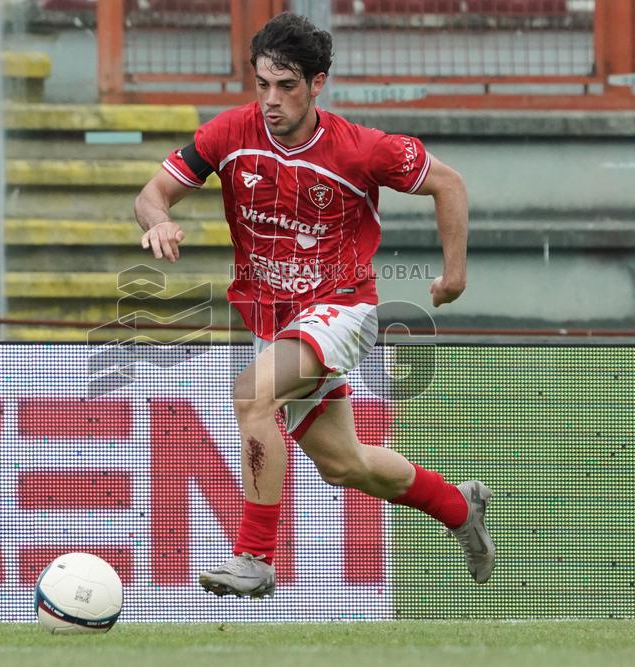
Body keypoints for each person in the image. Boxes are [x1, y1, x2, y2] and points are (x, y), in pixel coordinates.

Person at [134, 12, 494, 598]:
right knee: (344, 464)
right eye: (262, 84)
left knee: (253, 394)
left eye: (287, 86)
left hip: (341, 307)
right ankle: (458, 506)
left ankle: (254, 557)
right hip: (272, 318)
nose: (271, 100)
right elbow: (152, 195)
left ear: (317, 83)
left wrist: (453, 276)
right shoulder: (228, 134)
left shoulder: (360, 150)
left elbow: (447, 184)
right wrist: (160, 221)